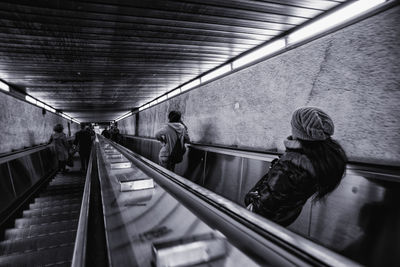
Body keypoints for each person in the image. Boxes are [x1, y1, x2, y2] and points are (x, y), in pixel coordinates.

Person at [245, 107, 347, 226]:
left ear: (299, 131)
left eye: (293, 125)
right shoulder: (317, 160)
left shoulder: (290, 167)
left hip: (263, 224)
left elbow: (261, 210)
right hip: (284, 220)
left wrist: (250, 201)